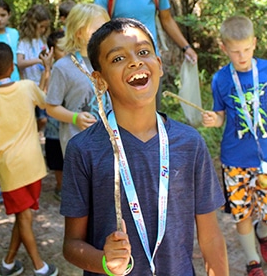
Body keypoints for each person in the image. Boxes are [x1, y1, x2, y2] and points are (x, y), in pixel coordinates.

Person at [61, 18, 228, 275]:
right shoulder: (83, 149)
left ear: (159, 65)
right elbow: (72, 244)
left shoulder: (190, 143)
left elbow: (211, 238)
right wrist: (105, 261)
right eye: (118, 58)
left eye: (143, 52)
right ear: (99, 80)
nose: (135, 61)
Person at [202, 15, 267, 276]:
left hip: (265, 159)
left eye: (246, 49)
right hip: (234, 159)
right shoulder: (221, 79)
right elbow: (220, 114)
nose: (242, 56)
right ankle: (252, 261)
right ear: (224, 49)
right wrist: (214, 120)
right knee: (241, 214)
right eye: (235, 52)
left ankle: (264, 233)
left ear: (254, 43)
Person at [0, 42, 58, 276]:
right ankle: (9, 263)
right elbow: (43, 99)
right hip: (33, 164)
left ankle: (39, 268)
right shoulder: (27, 87)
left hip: (10, 168)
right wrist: (47, 69)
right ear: (12, 67)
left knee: (24, 215)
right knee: (24, 215)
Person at [46, 3, 110, 155]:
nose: (105, 35)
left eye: (107, 28)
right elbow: (51, 107)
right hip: (78, 148)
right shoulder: (63, 67)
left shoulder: (109, 62)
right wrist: (75, 118)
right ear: (79, 32)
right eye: (98, 30)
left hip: (109, 143)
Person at [17, 4, 51, 131]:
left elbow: (48, 62)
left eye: (45, 27)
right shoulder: (24, 42)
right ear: (33, 24)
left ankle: (34, 135)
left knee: (43, 118)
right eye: (41, 26)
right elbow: (20, 62)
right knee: (32, 117)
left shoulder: (43, 41)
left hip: (42, 86)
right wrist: (38, 60)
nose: (43, 30)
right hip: (29, 86)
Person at [44, 31, 66, 200]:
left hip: (70, 123)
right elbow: (44, 95)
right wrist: (47, 67)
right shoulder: (51, 70)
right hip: (54, 125)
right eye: (60, 49)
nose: (65, 51)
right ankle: (60, 186)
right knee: (56, 156)